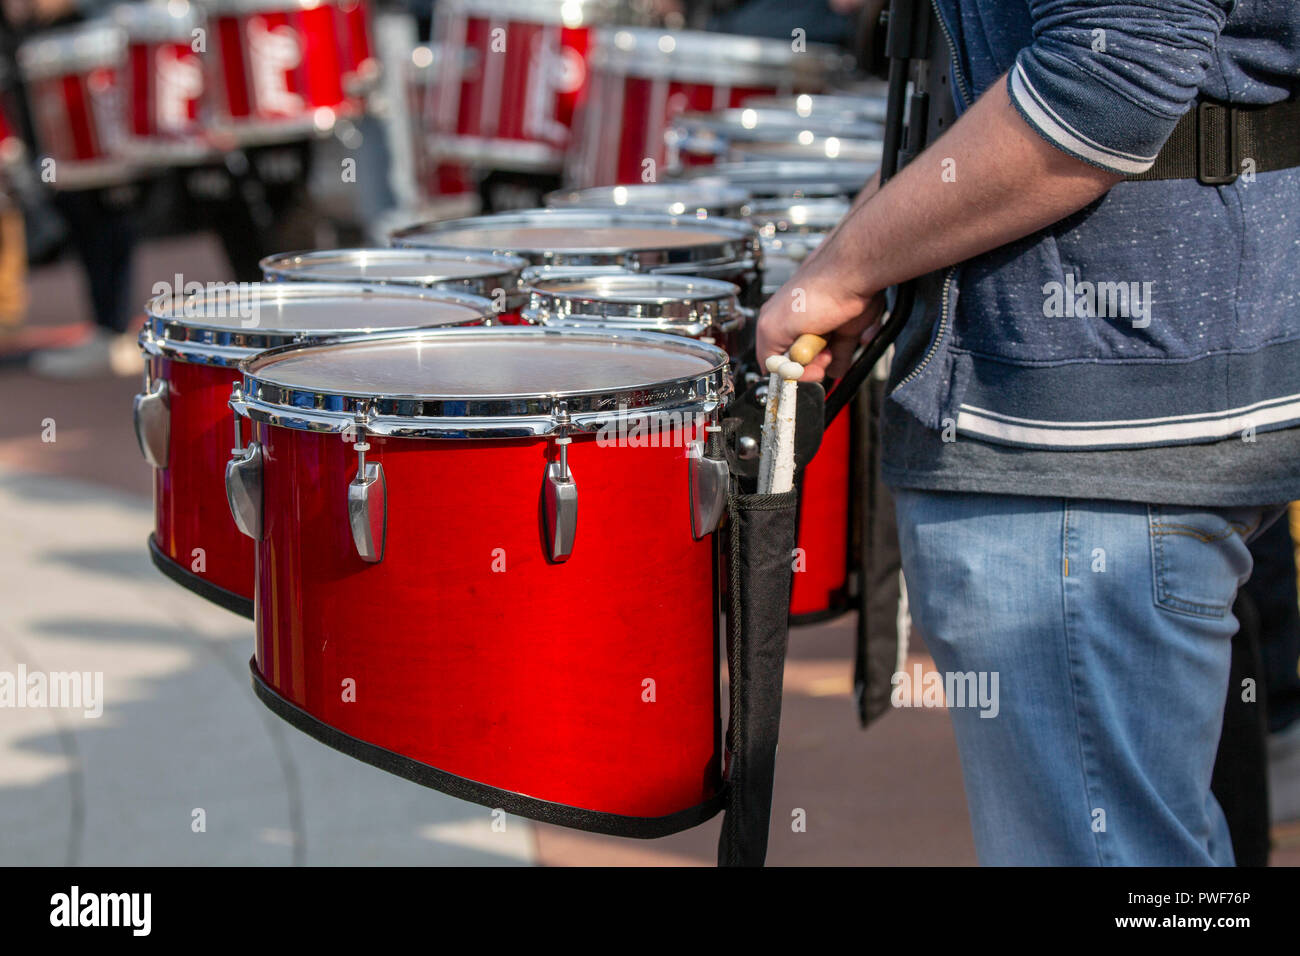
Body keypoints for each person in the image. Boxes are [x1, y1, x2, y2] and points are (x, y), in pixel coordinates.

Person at [757, 0, 1300, 865]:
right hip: (1123, 417)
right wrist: (871, 245)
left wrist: (845, 268)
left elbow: (1108, 77)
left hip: (1084, 436)